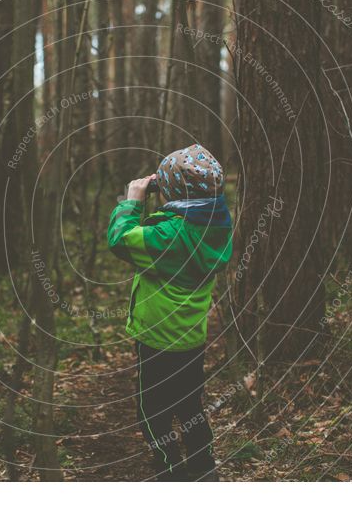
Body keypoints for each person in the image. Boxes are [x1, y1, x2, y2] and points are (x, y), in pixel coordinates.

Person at [107, 144, 232, 481]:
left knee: (152, 412)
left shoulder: (169, 236)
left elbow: (120, 239)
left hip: (157, 341)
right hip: (191, 339)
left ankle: (169, 469)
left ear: (173, 194)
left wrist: (133, 200)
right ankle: (204, 469)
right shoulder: (217, 226)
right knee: (191, 407)